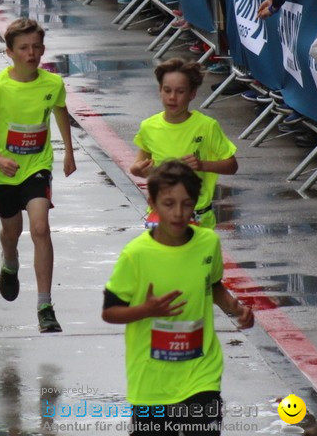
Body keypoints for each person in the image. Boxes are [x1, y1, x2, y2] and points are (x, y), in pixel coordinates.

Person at [102, 160, 254, 436]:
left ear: (195, 202)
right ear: (153, 202)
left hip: (201, 373)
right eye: (169, 203)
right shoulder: (136, 255)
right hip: (151, 382)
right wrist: (146, 310)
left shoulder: (208, 242)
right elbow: (110, 311)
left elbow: (213, 285)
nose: (178, 213)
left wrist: (236, 308)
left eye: (186, 204)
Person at [0, 18, 76, 333]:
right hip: (5, 174)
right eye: (24, 48)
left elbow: (59, 112)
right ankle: (9, 262)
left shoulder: (52, 84)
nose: (31, 54)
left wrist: (69, 152)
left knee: (41, 228)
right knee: (11, 233)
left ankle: (45, 305)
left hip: (37, 169)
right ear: (10, 52)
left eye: (36, 47)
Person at [129, 59, 237, 229]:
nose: (172, 97)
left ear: (192, 94)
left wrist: (202, 165)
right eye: (167, 90)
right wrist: (138, 170)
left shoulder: (207, 126)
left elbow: (232, 166)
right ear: (160, 91)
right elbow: (138, 165)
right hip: (161, 216)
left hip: (198, 217)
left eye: (180, 91)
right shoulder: (148, 127)